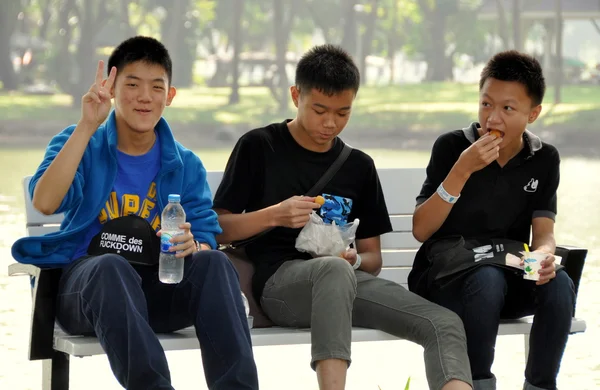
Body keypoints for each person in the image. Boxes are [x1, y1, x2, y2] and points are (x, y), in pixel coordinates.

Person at [212, 44, 472, 390]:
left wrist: (354, 259)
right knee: (331, 270)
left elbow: (373, 258)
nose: (330, 123)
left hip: (345, 282)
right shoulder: (260, 147)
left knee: (444, 323)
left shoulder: (358, 166)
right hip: (279, 287)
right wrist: (274, 215)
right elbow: (216, 228)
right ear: (295, 96)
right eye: (319, 110)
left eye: (342, 112)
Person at [11, 36, 258, 390]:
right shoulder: (79, 142)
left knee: (216, 263)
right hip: (88, 293)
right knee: (111, 266)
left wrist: (196, 246)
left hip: (160, 290)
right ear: (112, 89)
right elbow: (46, 203)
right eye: (132, 84)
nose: (145, 97)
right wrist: (86, 127)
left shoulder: (185, 163)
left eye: (156, 87)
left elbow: (206, 236)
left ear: (169, 96)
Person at [409, 50, 575, 390]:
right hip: (446, 278)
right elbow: (421, 229)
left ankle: (541, 385)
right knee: (487, 280)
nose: (492, 118)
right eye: (486, 104)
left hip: (507, 269)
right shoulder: (452, 147)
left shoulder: (544, 159)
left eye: (507, 108)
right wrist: (462, 169)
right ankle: (477, 383)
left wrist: (544, 257)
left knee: (559, 283)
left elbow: (543, 233)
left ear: (533, 114)